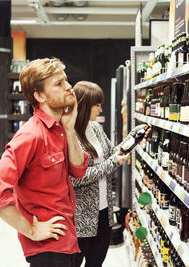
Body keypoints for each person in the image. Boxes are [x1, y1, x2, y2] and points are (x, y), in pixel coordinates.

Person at [0, 58, 89, 267]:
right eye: (58, 84)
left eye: (66, 81)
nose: (69, 87)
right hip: (48, 251)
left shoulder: (59, 129)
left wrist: (69, 128)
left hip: (68, 240)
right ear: (39, 96)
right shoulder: (31, 136)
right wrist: (31, 229)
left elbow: (78, 170)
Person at [71, 81, 149, 267]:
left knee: (97, 261)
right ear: (83, 105)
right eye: (96, 105)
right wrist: (113, 162)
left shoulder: (96, 128)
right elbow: (76, 177)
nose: (100, 110)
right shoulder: (70, 135)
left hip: (104, 213)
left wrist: (133, 137)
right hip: (82, 217)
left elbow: (112, 153)